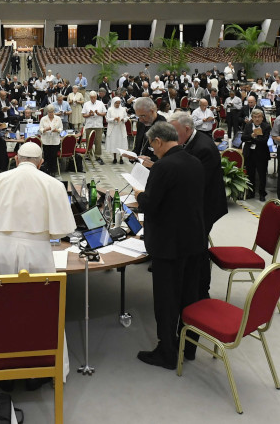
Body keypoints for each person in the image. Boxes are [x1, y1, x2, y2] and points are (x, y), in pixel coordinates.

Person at [0, 142, 76, 379]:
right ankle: (37, 367)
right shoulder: (53, 184)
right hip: (36, 252)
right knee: (39, 309)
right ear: (41, 162)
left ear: (15, 159)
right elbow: (62, 231)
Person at [134, 121, 205, 369]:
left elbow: (151, 205)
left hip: (168, 243)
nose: (153, 151)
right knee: (188, 296)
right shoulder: (194, 162)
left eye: (152, 146)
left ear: (158, 142)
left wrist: (139, 195)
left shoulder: (163, 167)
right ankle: (187, 347)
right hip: (194, 239)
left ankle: (166, 352)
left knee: (166, 299)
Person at [169, 111, 227, 301]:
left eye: (174, 131)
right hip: (197, 203)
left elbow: (196, 182)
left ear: (187, 129)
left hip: (206, 206)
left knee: (199, 247)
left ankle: (202, 290)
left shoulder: (204, 148)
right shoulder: (189, 141)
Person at [241, 108, 270, 201]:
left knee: (262, 175)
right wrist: (251, 136)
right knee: (250, 173)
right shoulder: (248, 126)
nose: (257, 119)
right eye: (255, 117)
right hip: (250, 153)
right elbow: (243, 138)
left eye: (259, 117)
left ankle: (262, 193)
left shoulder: (266, 126)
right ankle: (251, 192)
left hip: (261, 153)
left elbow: (264, 140)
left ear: (262, 118)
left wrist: (251, 139)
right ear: (252, 118)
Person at [82, 91, 106, 164]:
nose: (93, 99)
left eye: (94, 97)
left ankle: (98, 156)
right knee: (89, 140)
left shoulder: (100, 103)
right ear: (90, 97)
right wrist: (89, 114)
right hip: (89, 125)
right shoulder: (86, 104)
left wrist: (98, 113)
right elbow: (83, 114)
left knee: (98, 141)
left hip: (98, 125)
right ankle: (88, 154)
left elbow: (104, 113)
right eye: (91, 98)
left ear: (96, 97)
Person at [38, 105, 63, 175]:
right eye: (49, 112)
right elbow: (40, 129)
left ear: (54, 112)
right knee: (47, 156)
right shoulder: (43, 119)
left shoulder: (58, 119)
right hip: (46, 141)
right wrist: (45, 129)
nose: (51, 114)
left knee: (53, 156)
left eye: (52, 112)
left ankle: (53, 171)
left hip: (55, 141)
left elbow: (61, 128)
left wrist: (57, 130)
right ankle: (47, 171)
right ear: (47, 112)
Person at [105, 97, 129, 164]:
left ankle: (121, 158)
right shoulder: (110, 110)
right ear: (113, 103)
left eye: (119, 103)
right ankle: (115, 158)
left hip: (120, 128)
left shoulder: (123, 109)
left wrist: (123, 119)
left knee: (121, 143)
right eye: (116, 103)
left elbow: (126, 117)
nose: (118, 104)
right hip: (113, 129)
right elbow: (107, 119)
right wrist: (113, 119)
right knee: (114, 143)